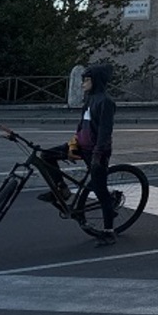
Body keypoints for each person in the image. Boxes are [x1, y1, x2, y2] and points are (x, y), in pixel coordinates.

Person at [41, 63, 118, 246]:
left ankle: (109, 231)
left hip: (96, 151)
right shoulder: (90, 98)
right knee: (47, 156)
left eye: (87, 80)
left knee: (100, 190)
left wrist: (98, 156)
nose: (83, 83)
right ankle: (62, 189)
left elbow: (105, 131)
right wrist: (74, 140)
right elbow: (82, 123)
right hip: (81, 146)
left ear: (96, 81)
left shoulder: (105, 102)